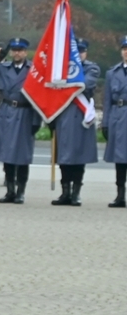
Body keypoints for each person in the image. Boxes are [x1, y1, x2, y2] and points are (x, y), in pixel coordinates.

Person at [0, 31, 38, 203]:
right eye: (14, 50)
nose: (17, 53)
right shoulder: (3, 68)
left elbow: (40, 96)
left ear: (25, 52)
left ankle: (21, 191)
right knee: (7, 153)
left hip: (25, 111)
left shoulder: (33, 70)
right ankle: (10, 190)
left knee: (23, 155)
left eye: (20, 50)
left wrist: (36, 120)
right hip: (7, 111)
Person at [50, 39, 101, 206]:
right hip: (64, 113)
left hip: (81, 116)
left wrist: (66, 81)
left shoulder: (92, 68)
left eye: (81, 51)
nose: (79, 55)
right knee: (64, 156)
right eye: (76, 52)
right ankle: (65, 192)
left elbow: (85, 84)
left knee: (79, 155)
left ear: (86, 53)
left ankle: (76, 193)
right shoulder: (62, 69)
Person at [106, 37, 127, 208]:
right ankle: (120, 195)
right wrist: (106, 123)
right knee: (120, 159)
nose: (126, 52)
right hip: (118, 116)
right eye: (124, 49)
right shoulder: (112, 73)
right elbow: (107, 100)